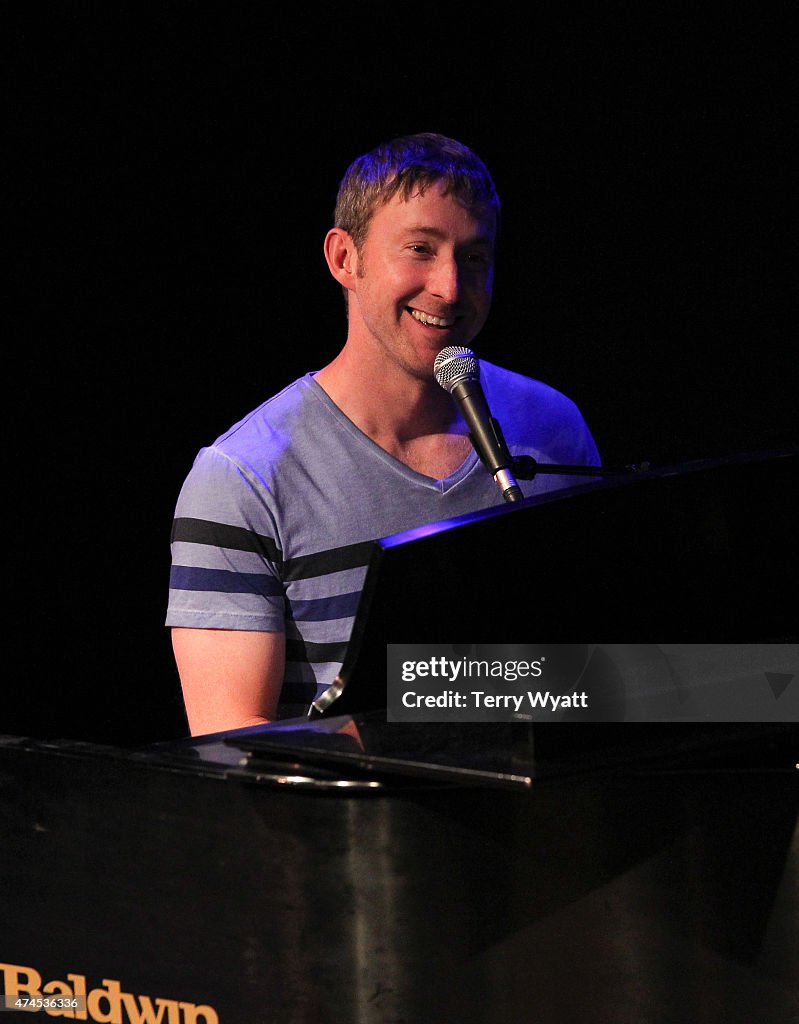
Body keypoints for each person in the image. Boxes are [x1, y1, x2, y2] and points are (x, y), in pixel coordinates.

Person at [166, 132, 601, 735]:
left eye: (474, 259)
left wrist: (750, 687)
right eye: (420, 249)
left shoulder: (553, 428)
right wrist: (456, 706)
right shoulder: (242, 478)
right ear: (345, 259)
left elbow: (601, 679)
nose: (450, 288)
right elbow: (229, 748)